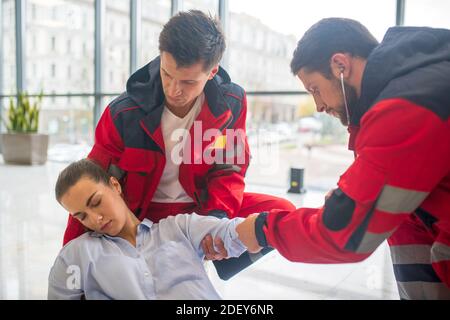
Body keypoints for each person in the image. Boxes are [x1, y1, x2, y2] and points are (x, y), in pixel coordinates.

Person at [62, 10, 295, 279]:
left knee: (281, 215)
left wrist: (216, 222)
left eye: (188, 81)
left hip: (198, 209)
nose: (174, 89)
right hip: (143, 216)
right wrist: (70, 263)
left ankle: (216, 259)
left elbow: (229, 169)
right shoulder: (122, 113)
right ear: (161, 59)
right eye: (167, 74)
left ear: (212, 72)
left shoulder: (231, 102)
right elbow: (91, 184)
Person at [238, 18, 450, 299]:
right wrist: (352, 199)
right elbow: (383, 189)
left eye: (315, 88)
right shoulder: (416, 83)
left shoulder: (407, 104)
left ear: (340, 65)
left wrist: (264, 230)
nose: (319, 105)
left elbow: (344, 235)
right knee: (399, 214)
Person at [49, 159, 250, 299]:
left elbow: (231, 232)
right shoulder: (75, 256)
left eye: (96, 202)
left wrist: (265, 227)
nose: (95, 218)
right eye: (82, 216)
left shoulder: (179, 228)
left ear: (115, 185)